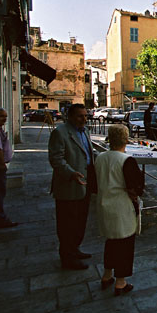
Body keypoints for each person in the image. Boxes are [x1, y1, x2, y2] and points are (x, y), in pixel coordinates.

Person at [96, 125, 144, 296]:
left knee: (111, 242)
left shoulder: (100, 157)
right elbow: (136, 187)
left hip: (104, 205)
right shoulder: (126, 160)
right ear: (126, 138)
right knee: (124, 245)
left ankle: (107, 275)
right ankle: (121, 282)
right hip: (121, 207)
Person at [48, 103, 96, 270]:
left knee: (80, 220)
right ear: (70, 117)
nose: (84, 119)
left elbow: (88, 154)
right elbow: (56, 159)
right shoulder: (60, 133)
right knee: (67, 223)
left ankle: (75, 249)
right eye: (80, 116)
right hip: (69, 184)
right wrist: (71, 173)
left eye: (85, 115)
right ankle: (67, 257)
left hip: (85, 182)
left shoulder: (85, 131)